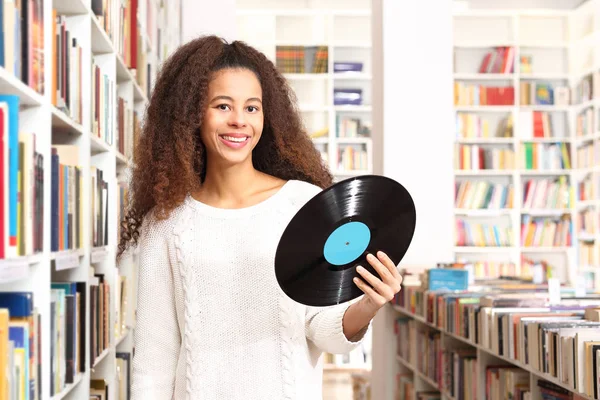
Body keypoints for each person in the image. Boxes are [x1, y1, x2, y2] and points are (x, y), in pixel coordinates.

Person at [116, 35, 403, 400]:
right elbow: (154, 362)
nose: (239, 121)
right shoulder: (166, 222)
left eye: (252, 108)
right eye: (222, 106)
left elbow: (323, 329)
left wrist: (369, 304)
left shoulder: (303, 203)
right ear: (190, 114)